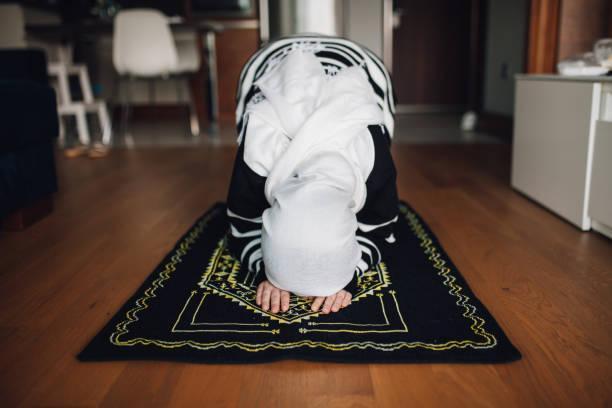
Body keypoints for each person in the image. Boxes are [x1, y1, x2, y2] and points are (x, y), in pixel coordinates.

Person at [226, 35, 398, 315]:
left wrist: (347, 274)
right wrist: (265, 270)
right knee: (251, 109)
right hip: (273, 66)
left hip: (358, 70)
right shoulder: (257, 152)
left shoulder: (375, 162)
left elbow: (382, 230)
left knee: (377, 106)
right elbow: (241, 225)